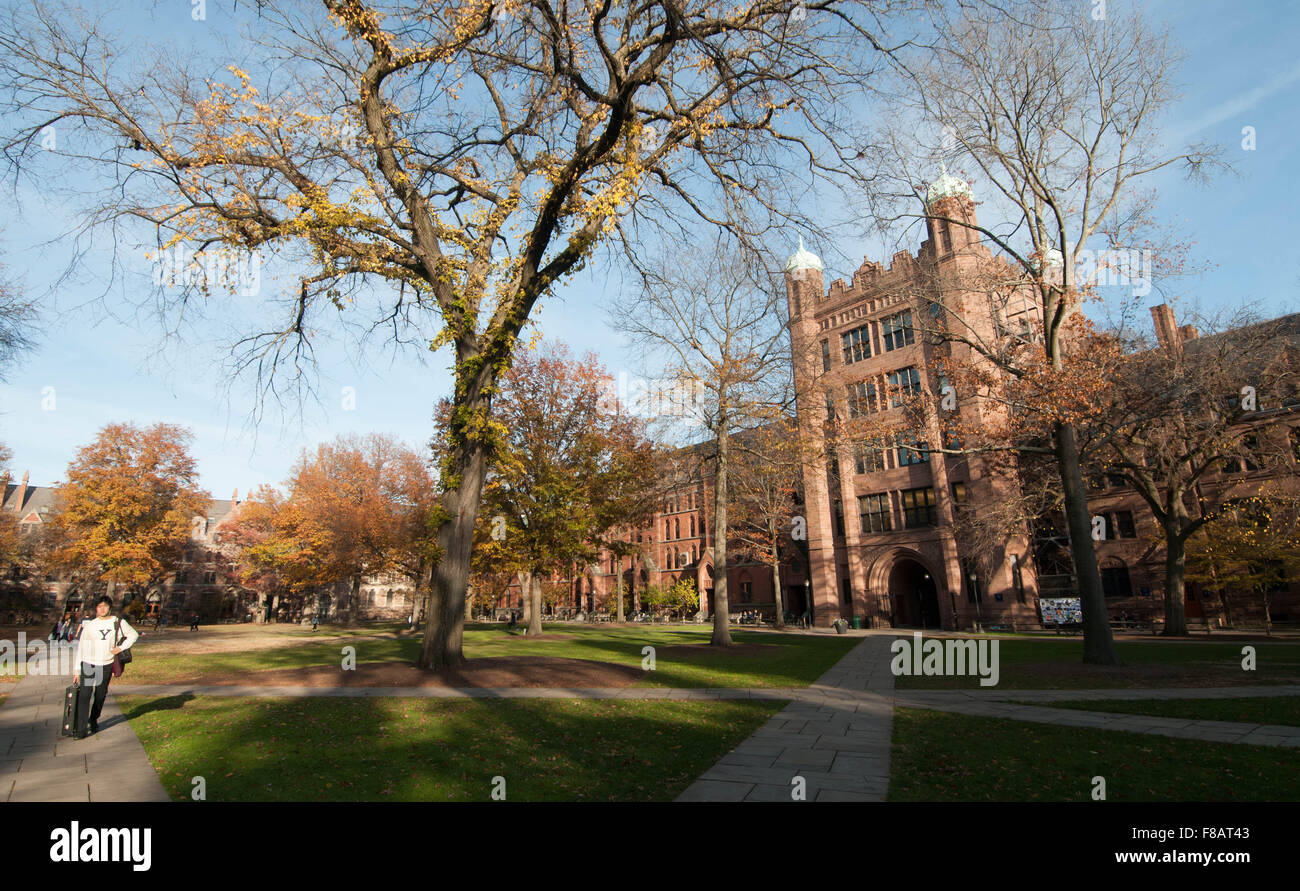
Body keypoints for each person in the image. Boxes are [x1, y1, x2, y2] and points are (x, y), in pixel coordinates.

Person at [68, 595, 139, 737]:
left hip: (106, 663)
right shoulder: (90, 625)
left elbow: (133, 635)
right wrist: (76, 669)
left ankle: (93, 719)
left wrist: (120, 648)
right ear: (96, 608)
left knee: (100, 695)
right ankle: (81, 730)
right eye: (99, 606)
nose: (102, 609)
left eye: (105, 606)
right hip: (88, 663)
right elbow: (81, 647)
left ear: (109, 608)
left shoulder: (117, 622)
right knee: (84, 695)